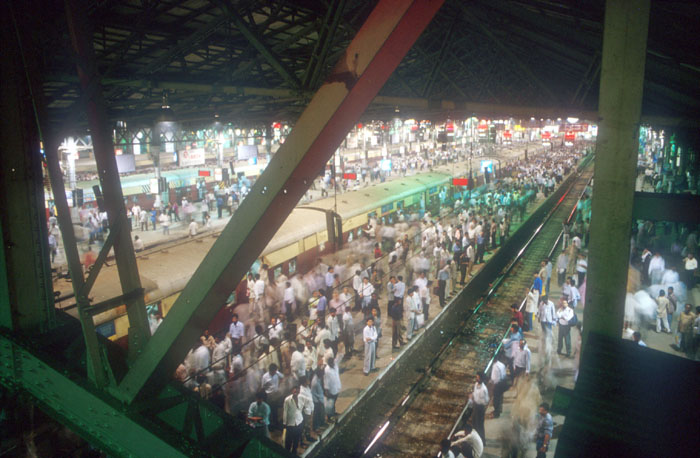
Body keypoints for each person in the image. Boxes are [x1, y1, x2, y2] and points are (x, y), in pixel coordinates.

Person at [282, 385, 304, 454]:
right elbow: (285, 412)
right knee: (288, 441)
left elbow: (301, 409)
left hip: (299, 422)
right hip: (290, 423)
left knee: (296, 440)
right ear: (292, 390)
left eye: (298, 390)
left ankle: (294, 453)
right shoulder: (287, 400)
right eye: (295, 389)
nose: (296, 391)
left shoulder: (301, 399)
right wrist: (285, 423)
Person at [261, 364, 283, 430]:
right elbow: (262, 387)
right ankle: (270, 426)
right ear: (270, 370)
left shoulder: (277, 373)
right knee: (269, 411)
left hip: (275, 395)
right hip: (268, 395)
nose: (274, 373)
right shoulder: (265, 376)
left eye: (275, 371)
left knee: (275, 410)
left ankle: (276, 424)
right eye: (273, 371)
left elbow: (282, 376)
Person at [469, 372, 489, 442]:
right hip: (475, 406)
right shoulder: (476, 385)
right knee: (474, 423)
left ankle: (482, 440)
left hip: (480, 408)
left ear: (481, 379)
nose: (476, 379)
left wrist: (480, 402)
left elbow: (486, 401)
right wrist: (472, 396)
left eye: (477, 377)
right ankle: (476, 439)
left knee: (479, 425)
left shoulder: (484, 389)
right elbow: (474, 393)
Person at [489, 353, 507, 419]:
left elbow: (494, 379)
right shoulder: (501, 364)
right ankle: (499, 410)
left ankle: (496, 413)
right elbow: (504, 374)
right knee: (500, 398)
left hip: (497, 385)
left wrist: (492, 385)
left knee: (496, 400)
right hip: (502, 383)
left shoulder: (495, 367)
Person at [323, 357, 341, 422]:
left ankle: (333, 412)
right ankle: (329, 417)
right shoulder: (327, 370)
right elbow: (326, 381)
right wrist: (327, 391)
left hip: (336, 387)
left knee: (334, 401)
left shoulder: (335, 365)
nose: (333, 363)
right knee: (330, 403)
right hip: (331, 389)